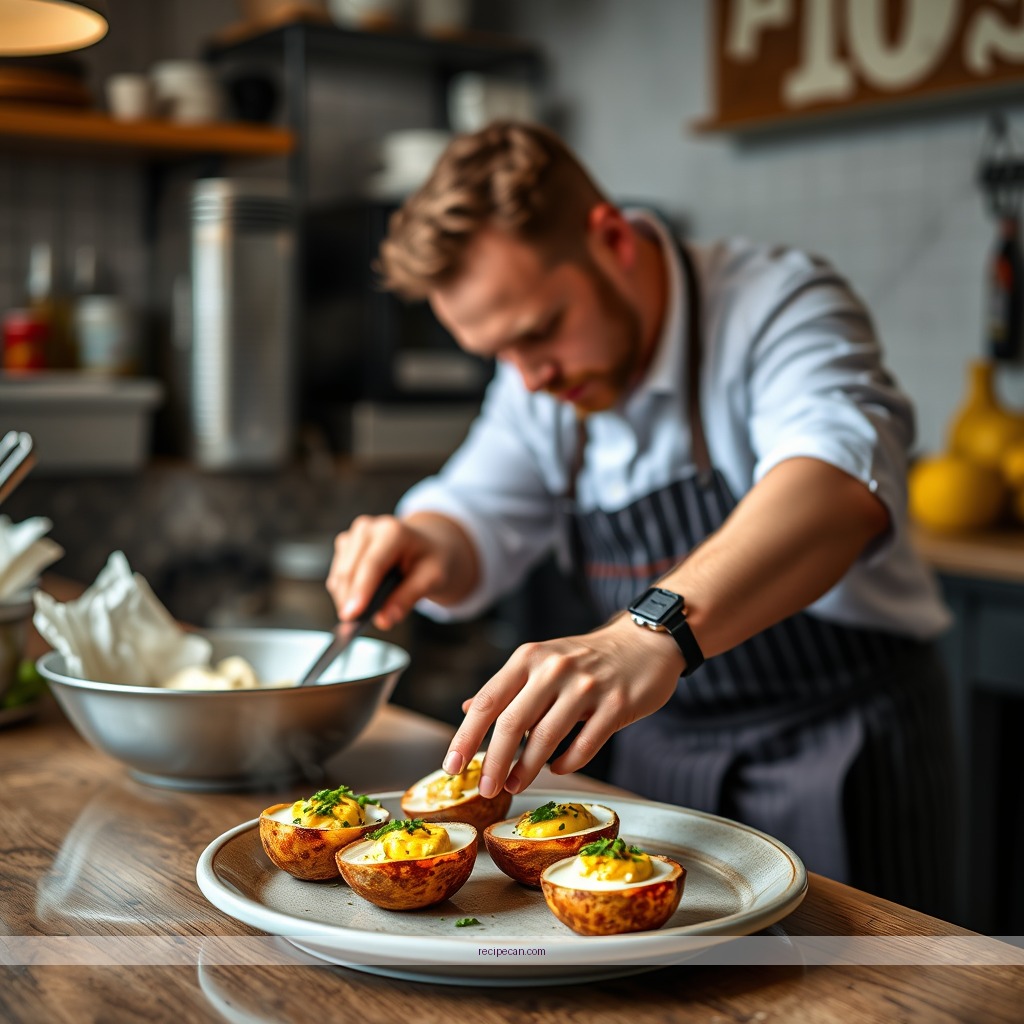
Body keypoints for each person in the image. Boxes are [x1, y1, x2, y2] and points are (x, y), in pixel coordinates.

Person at [327, 121, 957, 915]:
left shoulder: (778, 303)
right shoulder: (539, 381)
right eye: (500, 356)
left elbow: (836, 486)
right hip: (663, 764)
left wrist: (648, 631)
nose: (530, 377)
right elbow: (478, 509)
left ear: (613, 240)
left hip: (838, 753)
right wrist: (422, 540)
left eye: (540, 332)